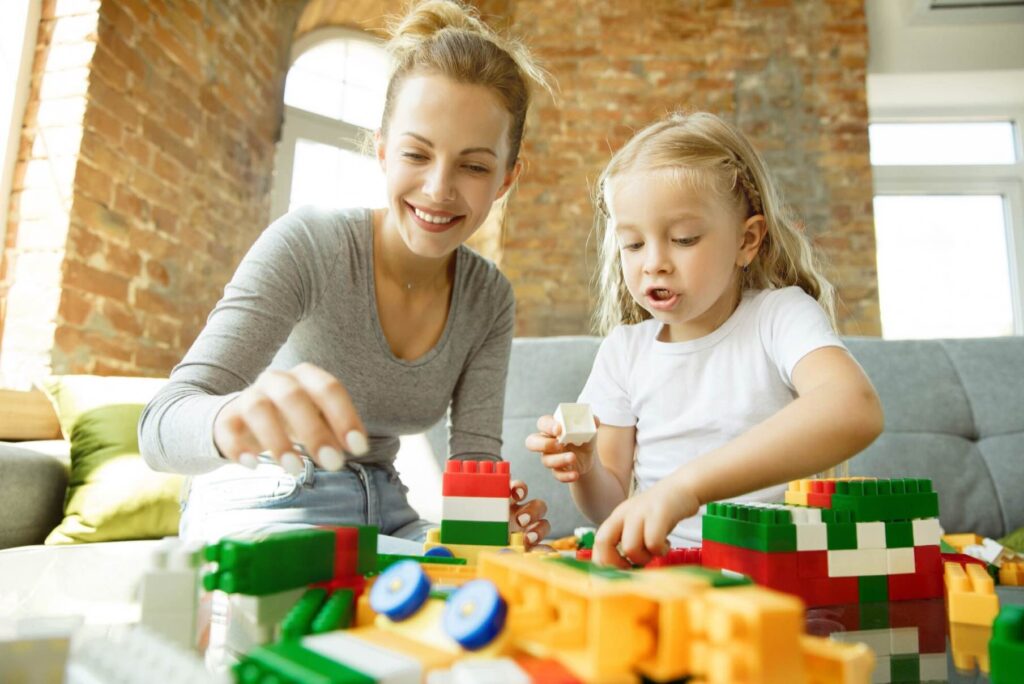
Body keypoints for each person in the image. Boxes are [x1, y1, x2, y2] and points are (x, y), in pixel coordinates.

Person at [140, 0, 552, 552]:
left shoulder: (489, 296)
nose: (438, 188)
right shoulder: (309, 245)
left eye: (474, 166)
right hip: (269, 491)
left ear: (505, 179)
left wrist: (489, 523)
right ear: (382, 151)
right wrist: (233, 415)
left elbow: (474, 461)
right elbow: (159, 428)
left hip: (385, 507)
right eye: (416, 154)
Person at [526, 111, 884, 568]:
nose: (654, 263)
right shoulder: (625, 351)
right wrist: (587, 468)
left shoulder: (779, 316)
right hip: (668, 573)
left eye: (683, 238)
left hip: (773, 571)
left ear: (746, 240)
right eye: (633, 244)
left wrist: (686, 487)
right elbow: (611, 507)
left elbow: (854, 407)